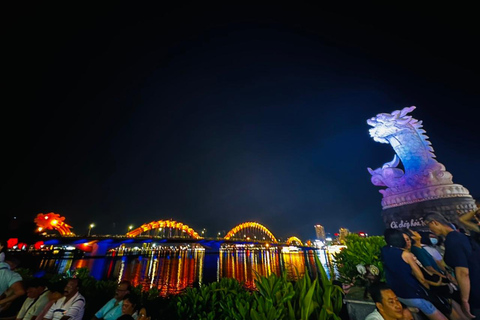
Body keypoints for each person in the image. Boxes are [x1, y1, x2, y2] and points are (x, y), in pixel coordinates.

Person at [381, 228, 447, 320]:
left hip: (399, 295)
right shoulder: (406, 254)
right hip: (414, 294)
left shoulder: (385, 251)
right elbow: (421, 278)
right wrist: (430, 290)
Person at [425, 211, 480, 318]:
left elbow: (463, 272)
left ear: (435, 222)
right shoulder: (461, 236)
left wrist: (464, 300)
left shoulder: (452, 241)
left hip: (476, 290)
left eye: (429, 226)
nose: (431, 230)